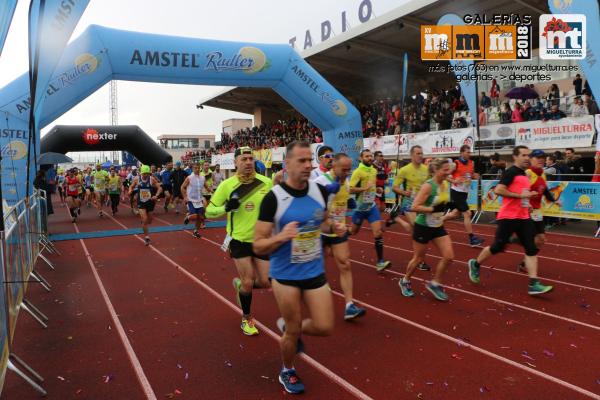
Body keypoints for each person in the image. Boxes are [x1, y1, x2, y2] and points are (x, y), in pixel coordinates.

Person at [253, 141, 345, 394]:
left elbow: (322, 222)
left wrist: (333, 227)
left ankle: (289, 327)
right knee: (292, 334)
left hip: (314, 272)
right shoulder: (274, 198)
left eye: (309, 161)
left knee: (325, 326)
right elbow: (258, 245)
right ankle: (287, 369)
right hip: (285, 276)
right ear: (287, 164)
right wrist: (281, 237)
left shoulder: (320, 192)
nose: (308, 165)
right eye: (302, 161)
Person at [467, 146, 553, 296]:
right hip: (508, 217)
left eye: (528, 155)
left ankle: (534, 283)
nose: (527, 158)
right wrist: (519, 196)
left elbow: (523, 194)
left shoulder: (525, 175)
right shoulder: (511, 172)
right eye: (523, 155)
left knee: (531, 248)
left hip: (524, 216)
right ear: (515, 157)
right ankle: (475, 263)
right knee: (497, 247)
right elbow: (498, 190)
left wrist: (527, 203)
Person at [206, 146, 273, 336]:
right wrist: (226, 207)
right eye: (244, 159)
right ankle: (247, 319)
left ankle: (240, 286)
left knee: (266, 282)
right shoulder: (227, 185)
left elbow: (275, 206)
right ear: (235, 162)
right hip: (239, 240)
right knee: (248, 282)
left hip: (261, 240)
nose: (248, 162)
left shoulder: (266, 182)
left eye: (251, 159)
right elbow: (209, 211)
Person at [399, 158, 460, 301]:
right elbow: (414, 207)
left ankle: (435, 283)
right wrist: (432, 209)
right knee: (418, 258)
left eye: (448, 169)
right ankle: (405, 280)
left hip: (438, 226)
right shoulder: (428, 186)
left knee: (449, 256)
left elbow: (441, 204)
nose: (447, 172)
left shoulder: (444, 184)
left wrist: (449, 208)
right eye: (444, 170)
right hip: (423, 227)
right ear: (436, 170)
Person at [314, 153, 366, 320]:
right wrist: (329, 221)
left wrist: (350, 202)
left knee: (345, 263)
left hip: (339, 229)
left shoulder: (346, 180)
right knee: (316, 268)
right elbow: (314, 212)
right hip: (319, 231)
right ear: (333, 167)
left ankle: (349, 306)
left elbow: (345, 199)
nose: (347, 172)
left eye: (349, 169)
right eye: (344, 169)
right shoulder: (320, 182)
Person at [516, 150, 561, 272]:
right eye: (538, 157)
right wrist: (527, 204)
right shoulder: (527, 173)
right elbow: (520, 192)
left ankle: (523, 260)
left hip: (537, 212)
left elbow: (545, 190)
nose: (541, 160)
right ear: (531, 159)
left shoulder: (542, 173)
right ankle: (525, 260)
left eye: (543, 157)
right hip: (526, 211)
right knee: (532, 240)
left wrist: (553, 200)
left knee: (541, 240)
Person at [388, 145, 431, 269]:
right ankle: (420, 260)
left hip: (421, 203)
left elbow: (431, 184)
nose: (420, 155)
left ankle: (397, 219)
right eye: (418, 153)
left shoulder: (426, 169)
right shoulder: (404, 170)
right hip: (409, 203)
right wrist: (404, 193)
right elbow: (394, 187)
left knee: (417, 232)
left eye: (421, 153)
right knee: (418, 228)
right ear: (412, 155)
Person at [349, 149, 391, 271]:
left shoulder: (373, 170)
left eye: (370, 156)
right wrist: (363, 189)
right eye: (367, 156)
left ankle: (380, 262)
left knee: (378, 233)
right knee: (353, 231)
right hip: (360, 208)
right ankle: (339, 238)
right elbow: (350, 189)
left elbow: (372, 186)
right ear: (361, 158)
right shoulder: (358, 172)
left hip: (371, 207)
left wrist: (377, 189)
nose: (370, 158)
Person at [448, 145, 485, 247]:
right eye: (467, 152)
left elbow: (470, 174)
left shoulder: (471, 163)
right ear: (462, 153)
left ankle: (437, 221)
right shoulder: (455, 164)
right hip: (456, 192)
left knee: (455, 214)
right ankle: (472, 238)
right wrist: (454, 180)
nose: (469, 154)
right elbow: (445, 175)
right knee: (467, 213)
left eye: (470, 152)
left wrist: (475, 176)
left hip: (464, 192)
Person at [128, 165, 163, 245]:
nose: (145, 175)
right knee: (144, 219)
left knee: (149, 220)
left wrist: (156, 195)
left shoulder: (152, 179)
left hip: (150, 202)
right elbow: (131, 186)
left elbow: (160, 188)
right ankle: (147, 237)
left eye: (147, 173)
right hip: (141, 202)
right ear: (141, 173)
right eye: (144, 174)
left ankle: (144, 222)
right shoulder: (137, 179)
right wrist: (130, 190)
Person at [181, 163, 210, 238]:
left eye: (198, 168)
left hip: (199, 200)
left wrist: (212, 191)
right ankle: (188, 217)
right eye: (195, 168)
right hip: (191, 200)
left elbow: (206, 186)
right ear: (192, 169)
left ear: (200, 168)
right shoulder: (189, 178)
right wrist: (185, 197)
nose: (197, 169)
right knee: (195, 216)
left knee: (200, 217)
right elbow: (182, 187)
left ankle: (195, 231)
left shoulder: (202, 178)